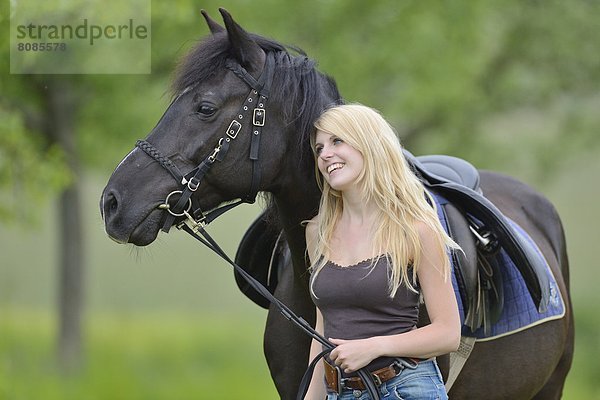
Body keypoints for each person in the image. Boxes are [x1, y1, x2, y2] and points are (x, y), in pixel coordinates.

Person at [304, 104, 461, 400]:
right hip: (341, 392)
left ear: (369, 145)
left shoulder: (416, 230)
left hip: (406, 388)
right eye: (319, 147)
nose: (325, 154)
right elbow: (322, 328)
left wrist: (374, 346)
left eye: (338, 141)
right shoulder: (317, 232)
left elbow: (447, 333)